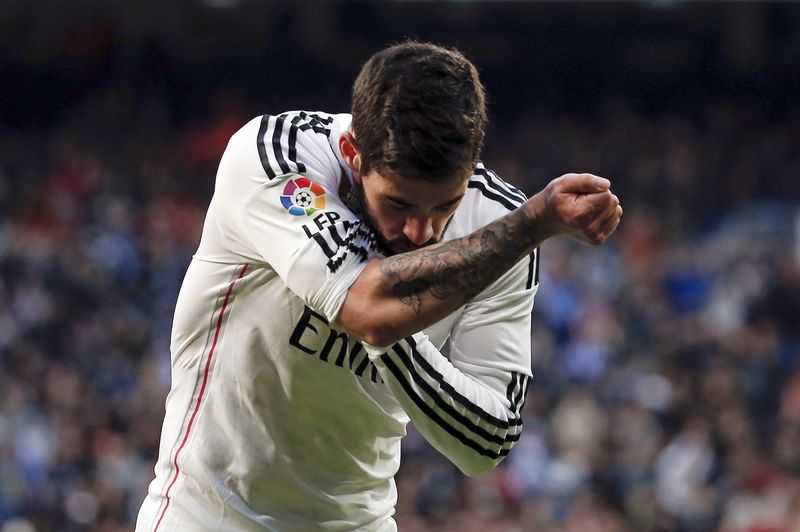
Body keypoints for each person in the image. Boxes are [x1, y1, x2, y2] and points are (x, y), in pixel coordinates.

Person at [136, 41, 622, 531]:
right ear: (353, 153)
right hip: (206, 515)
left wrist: (393, 327)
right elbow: (368, 309)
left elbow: (487, 441)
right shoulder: (276, 155)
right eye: (400, 205)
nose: (422, 232)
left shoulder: (498, 222)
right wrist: (528, 227)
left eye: (444, 206)